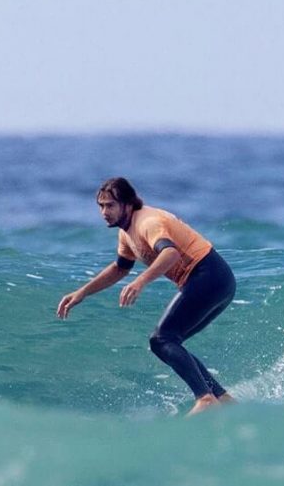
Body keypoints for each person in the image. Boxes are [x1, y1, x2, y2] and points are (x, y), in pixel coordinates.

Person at [56, 177, 237, 416]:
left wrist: (141, 281)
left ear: (128, 204)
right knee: (169, 342)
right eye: (100, 206)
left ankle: (205, 398)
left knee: (162, 340)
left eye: (110, 205)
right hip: (218, 280)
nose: (104, 212)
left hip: (208, 275)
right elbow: (120, 267)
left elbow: (170, 253)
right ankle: (221, 398)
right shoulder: (126, 232)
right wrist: (82, 293)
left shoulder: (147, 223)